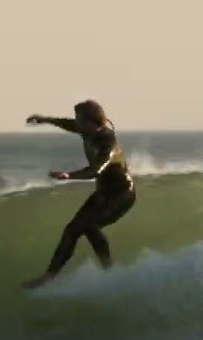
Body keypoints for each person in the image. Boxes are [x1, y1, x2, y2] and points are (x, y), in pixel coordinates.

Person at [21, 100, 136, 289]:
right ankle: (55, 275)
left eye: (80, 120)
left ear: (91, 122)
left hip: (121, 195)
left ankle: (104, 271)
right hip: (103, 193)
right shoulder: (87, 130)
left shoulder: (107, 142)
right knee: (74, 229)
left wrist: (69, 175)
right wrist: (44, 119)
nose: (77, 124)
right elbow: (68, 124)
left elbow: (96, 170)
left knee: (87, 226)